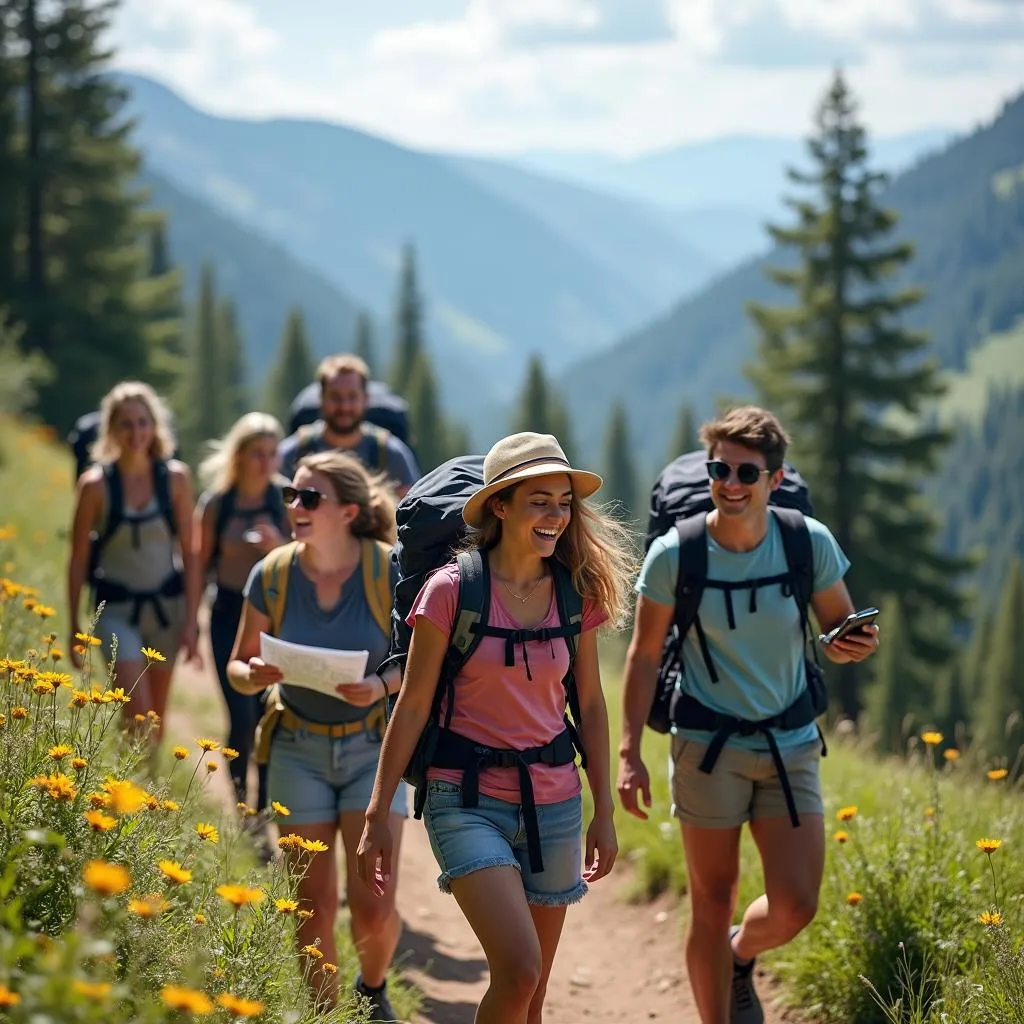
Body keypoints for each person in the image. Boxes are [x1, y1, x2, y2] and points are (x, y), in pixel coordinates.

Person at [356, 431, 635, 1024]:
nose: (556, 516)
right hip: (464, 798)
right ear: (501, 506)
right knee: (520, 969)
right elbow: (411, 704)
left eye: (563, 503)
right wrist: (379, 812)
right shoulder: (450, 591)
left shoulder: (575, 592)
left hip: (555, 802)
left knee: (529, 998)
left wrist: (603, 811)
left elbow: (589, 701)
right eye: (539, 501)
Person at [616, 406, 880, 1024]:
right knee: (710, 901)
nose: (730, 483)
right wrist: (629, 754)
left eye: (745, 472)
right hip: (707, 745)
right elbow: (644, 655)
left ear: (776, 478)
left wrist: (853, 644)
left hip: (789, 742)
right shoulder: (673, 555)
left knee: (796, 905)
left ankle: (740, 954)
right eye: (719, 469)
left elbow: (838, 628)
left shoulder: (805, 542)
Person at [226, 450, 407, 1018]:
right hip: (295, 749)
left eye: (309, 497)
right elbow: (237, 664)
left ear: (349, 511)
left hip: (371, 751)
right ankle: (326, 1016)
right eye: (292, 495)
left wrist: (380, 687)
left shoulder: (388, 571)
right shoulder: (272, 574)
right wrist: (252, 675)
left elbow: (423, 662)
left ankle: (371, 992)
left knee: (373, 905)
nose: (295, 507)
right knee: (311, 908)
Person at [67, 381, 201, 736]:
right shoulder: (94, 485)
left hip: (166, 610)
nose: (135, 432)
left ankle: (146, 788)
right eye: (125, 423)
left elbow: (190, 551)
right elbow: (78, 557)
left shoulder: (176, 479)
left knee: (155, 721)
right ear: (111, 429)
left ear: (154, 426)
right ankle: (128, 788)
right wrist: (72, 625)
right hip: (115, 611)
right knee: (136, 715)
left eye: (142, 422)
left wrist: (191, 620)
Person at [194, 412, 290, 825]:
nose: (265, 462)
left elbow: (308, 555)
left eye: (272, 453)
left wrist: (279, 544)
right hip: (227, 614)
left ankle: (265, 808)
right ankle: (242, 810)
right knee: (241, 714)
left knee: (269, 717)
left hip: (276, 619)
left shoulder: (286, 498)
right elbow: (199, 563)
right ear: (239, 455)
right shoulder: (218, 503)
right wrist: (187, 624)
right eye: (257, 453)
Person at [277, 354, 420, 496]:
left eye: (352, 397)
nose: (344, 407)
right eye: (335, 397)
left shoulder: (392, 456)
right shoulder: (291, 454)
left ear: (366, 399)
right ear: (321, 398)